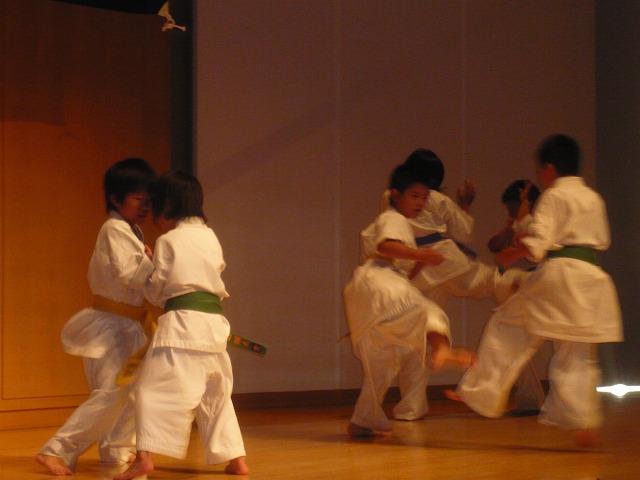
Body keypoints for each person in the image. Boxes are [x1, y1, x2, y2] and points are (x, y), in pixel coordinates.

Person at [456, 134, 623, 446]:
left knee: (507, 325)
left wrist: (513, 254)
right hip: (592, 279)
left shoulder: (554, 195)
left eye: (539, 170)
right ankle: (584, 421)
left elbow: (539, 244)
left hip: (560, 277)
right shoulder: (593, 199)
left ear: (549, 168)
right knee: (576, 353)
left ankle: (482, 392)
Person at [114, 171, 248, 480]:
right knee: (216, 394)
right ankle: (236, 459)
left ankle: (144, 458)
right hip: (214, 327)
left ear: (168, 205)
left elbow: (158, 292)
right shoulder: (210, 237)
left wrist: (148, 267)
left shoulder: (168, 240)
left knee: (149, 390)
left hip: (182, 327)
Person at [36, 158, 157, 475]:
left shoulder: (131, 230)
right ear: (116, 198)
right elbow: (130, 274)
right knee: (111, 391)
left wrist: (149, 260)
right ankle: (56, 450)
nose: (146, 206)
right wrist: (153, 261)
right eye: (139, 199)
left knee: (130, 391)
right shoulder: (114, 229)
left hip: (128, 323)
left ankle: (115, 450)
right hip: (109, 324)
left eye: (149, 199)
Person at [344, 164, 474, 437]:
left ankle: (362, 420)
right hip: (378, 280)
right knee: (428, 311)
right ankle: (441, 348)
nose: (420, 203)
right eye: (414, 196)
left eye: (424, 197)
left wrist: (420, 261)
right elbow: (385, 247)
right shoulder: (393, 218)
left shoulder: (398, 225)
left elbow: (401, 268)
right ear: (395, 195)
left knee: (383, 361)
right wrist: (422, 256)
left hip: (370, 291)